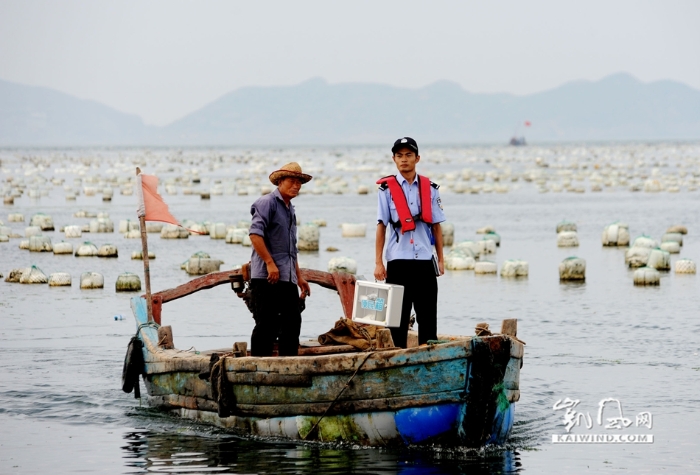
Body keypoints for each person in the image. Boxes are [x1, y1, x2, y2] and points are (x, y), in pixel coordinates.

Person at [374, 137, 446, 348]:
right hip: (398, 262)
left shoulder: (430, 188)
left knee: (428, 320)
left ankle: (429, 364)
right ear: (394, 159)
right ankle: (398, 363)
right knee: (396, 320)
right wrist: (378, 262)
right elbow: (381, 226)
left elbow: (437, 227)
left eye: (408, 155)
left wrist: (441, 260)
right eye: (399, 156)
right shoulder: (386, 190)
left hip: (424, 261)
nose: (404, 160)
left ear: (417, 158)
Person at [248, 162, 312, 357]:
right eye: (292, 181)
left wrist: (299, 277)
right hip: (267, 277)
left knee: (292, 323)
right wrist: (269, 263)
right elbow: (255, 235)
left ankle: (288, 366)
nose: (296, 186)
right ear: (280, 182)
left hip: (287, 277)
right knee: (266, 325)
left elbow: (291, 250)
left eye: (299, 183)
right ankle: (258, 367)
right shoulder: (267, 202)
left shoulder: (290, 209)